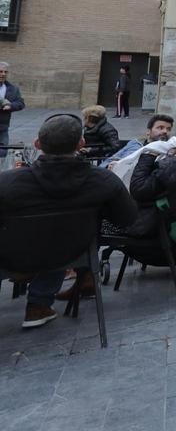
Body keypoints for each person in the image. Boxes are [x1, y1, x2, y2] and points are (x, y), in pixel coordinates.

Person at [0, 114, 137, 328]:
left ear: (37, 144)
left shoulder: (8, 182)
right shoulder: (102, 180)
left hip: (13, 256)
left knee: (46, 238)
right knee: (60, 237)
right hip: (73, 253)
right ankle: (38, 305)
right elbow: (126, 219)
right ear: (81, 143)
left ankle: (38, 300)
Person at [102, 113, 174, 167]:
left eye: (168, 129)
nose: (165, 131)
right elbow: (107, 163)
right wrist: (112, 165)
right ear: (148, 131)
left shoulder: (172, 153)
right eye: (160, 128)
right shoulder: (136, 145)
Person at [0, 61, 26, 148]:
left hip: (2, 127)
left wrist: (10, 106)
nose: (3, 74)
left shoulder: (13, 88)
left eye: (5, 72)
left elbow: (21, 103)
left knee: (3, 152)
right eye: (0, 71)